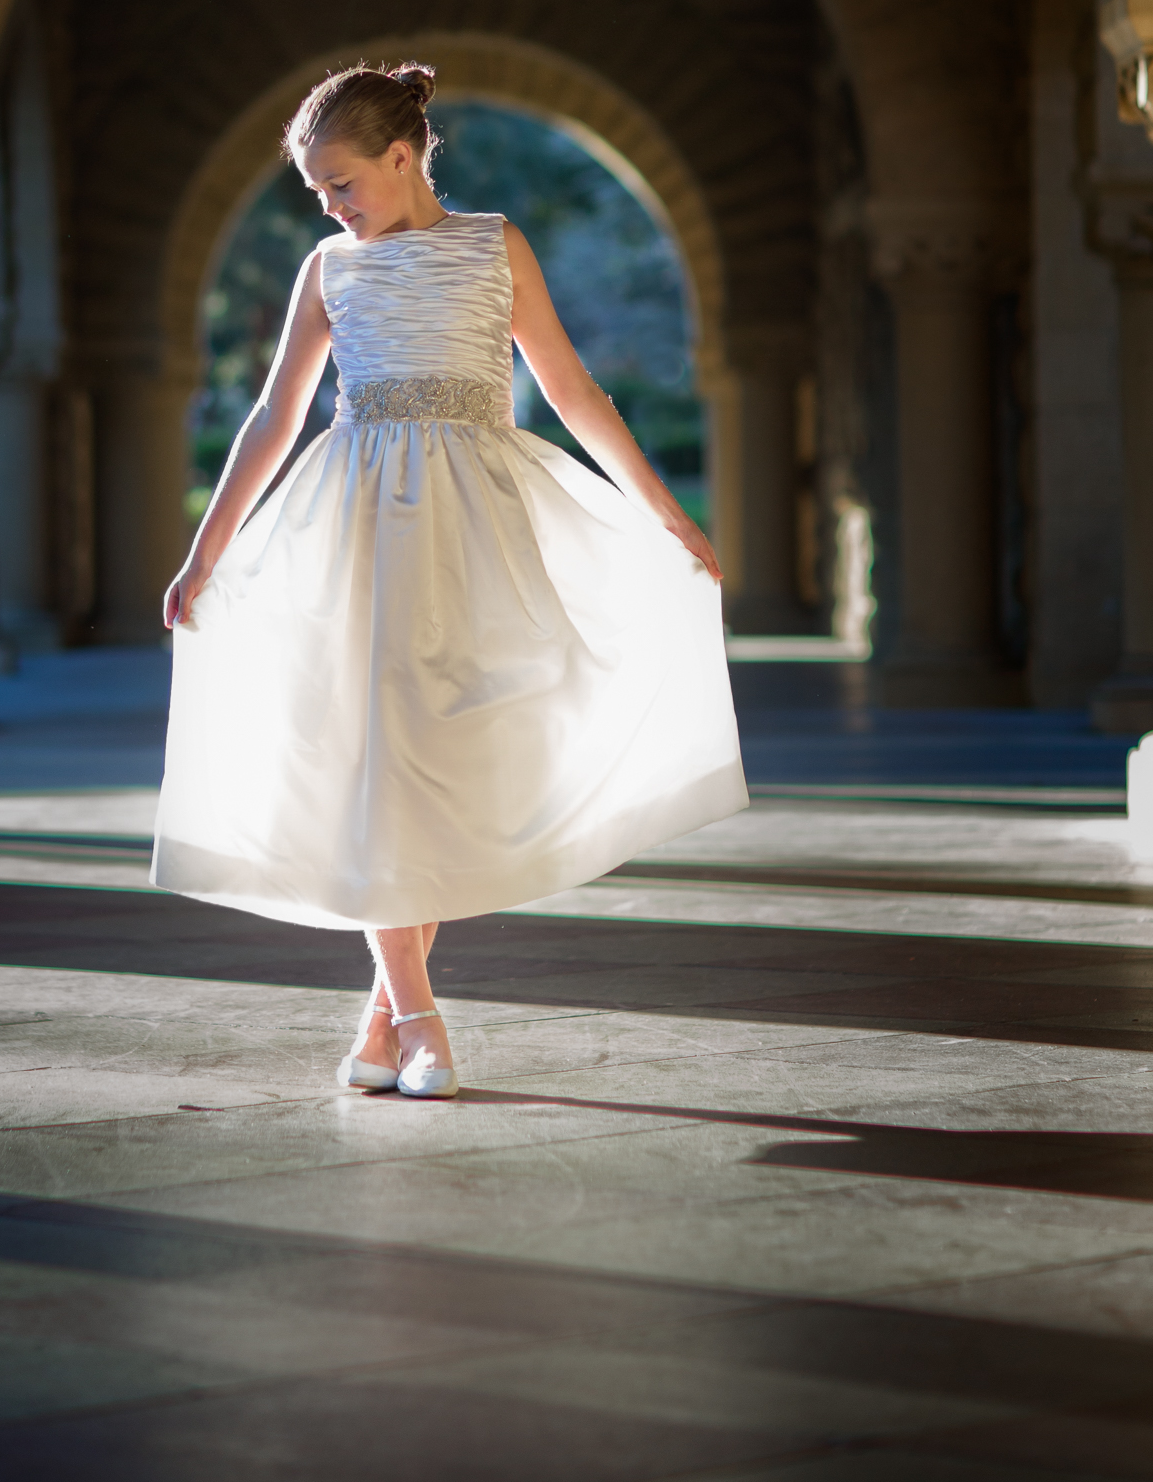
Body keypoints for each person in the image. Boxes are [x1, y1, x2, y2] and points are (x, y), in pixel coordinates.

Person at [151, 62, 745, 1100]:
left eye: (341, 184)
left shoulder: (493, 245)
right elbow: (274, 415)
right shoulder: (327, 271)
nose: (330, 208)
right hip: (359, 527)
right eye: (315, 196)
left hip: (476, 522)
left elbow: (568, 388)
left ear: (399, 155)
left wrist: (668, 512)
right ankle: (419, 1018)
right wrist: (205, 551)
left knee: (449, 754)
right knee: (378, 754)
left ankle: (382, 1016)